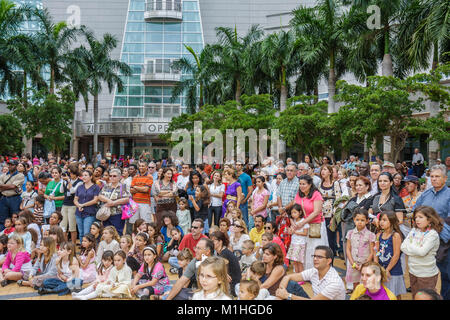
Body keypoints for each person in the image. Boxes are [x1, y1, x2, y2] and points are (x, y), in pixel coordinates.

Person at [413, 164, 450, 300]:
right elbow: (416, 213)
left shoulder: (449, 195)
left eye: (437, 177)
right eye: (432, 176)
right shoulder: (425, 195)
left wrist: (436, 227)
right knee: (425, 274)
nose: (434, 179)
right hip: (424, 241)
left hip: (444, 242)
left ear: (445, 178)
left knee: (446, 275)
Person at [401, 206, 443, 297]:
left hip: (426, 275)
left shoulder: (432, 234)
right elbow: (403, 247)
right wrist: (416, 248)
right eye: (416, 217)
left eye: (420, 217)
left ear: (429, 219)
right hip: (413, 272)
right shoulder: (414, 230)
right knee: (416, 296)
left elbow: (422, 252)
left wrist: (410, 247)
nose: (417, 220)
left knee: (425, 297)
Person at [276, 246, 346, 300]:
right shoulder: (315, 271)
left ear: (328, 261)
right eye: (314, 256)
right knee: (290, 284)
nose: (315, 259)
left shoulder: (334, 283)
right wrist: (282, 291)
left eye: (319, 257)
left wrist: (288, 295)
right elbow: (287, 277)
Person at [294, 175, 328, 270]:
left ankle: (317, 271)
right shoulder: (299, 194)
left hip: (315, 225)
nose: (301, 186)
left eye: (304, 184)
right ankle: (305, 271)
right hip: (303, 226)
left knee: (315, 248)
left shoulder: (316, 194)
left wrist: (303, 221)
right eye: (300, 184)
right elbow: (295, 207)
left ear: (310, 184)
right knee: (304, 248)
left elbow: (316, 211)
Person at [375, 211, 407, 298]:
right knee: (383, 293)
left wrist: (387, 270)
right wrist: (378, 267)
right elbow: (377, 252)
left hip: (393, 270)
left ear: (392, 221)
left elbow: (396, 255)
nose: (381, 222)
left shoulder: (395, 235)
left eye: (384, 220)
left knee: (394, 293)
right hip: (382, 268)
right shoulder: (379, 235)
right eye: (380, 219)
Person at [345, 208, 376, 292]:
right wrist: (352, 263)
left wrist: (364, 264)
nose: (359, 222)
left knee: (365, 285)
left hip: (365, 264)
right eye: (357, 219)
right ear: (354, 220)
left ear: (367, 221)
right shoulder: (350, 233)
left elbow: (372, 252)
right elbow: (348, 249)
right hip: (353, 264)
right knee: (356, 285)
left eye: (362, 220)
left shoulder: (370, 235)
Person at [318, 164, 343, 258]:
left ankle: (331, 261)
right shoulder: (319, 184)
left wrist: (334, 216)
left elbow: (338, 200)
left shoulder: (335, 183)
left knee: (330, 239)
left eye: (325, 169)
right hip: (321, 216)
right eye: (322, 170)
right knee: (322, 239)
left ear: (330, 172)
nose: (323, 172)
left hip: (330, 216)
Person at [98, 168, 130, 235]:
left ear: (119, 177)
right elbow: (100, 196)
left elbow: (127, 199)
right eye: (110, 176)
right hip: (106, 214)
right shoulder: (106, 186)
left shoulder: (122, 187)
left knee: (117, 233)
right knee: (106, 232)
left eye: (114, 176)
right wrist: (108, 200)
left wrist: (113, 203)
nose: (112, 177)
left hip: (117, 214)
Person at [210, 231, 241, 296]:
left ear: (220, 241)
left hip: (233, 286)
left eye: (214, 241)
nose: (211, 243)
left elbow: (225, 276)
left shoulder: (224, 253)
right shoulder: (220, 252)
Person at [74, 170, 101, 242]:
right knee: (81, 233)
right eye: (83, 175)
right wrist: (79, 205)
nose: (84, 177)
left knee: (87, 233)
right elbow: (75, 199)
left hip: (90, 213)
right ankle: (82, 248)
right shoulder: (80, 187)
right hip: (79, 213)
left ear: (91, 177)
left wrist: (83, 205)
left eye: (86, 175)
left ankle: (89, 249)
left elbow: (95, 200)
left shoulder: (96, 187)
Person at [129, 161, 154, 234]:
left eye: (143, 166)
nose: (141, 167)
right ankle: (135, 237)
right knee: (134, 222)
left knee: (145, 222)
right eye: (140, 166)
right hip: (134, 203)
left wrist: (136, 187)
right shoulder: (135, 177)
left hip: (145, 203)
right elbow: (131, 190)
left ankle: (145, 237)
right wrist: (141, 188)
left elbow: (146, 189)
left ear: (146, 167)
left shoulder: (149, 177)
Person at [60, 164, 82, 244]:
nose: (69, 175)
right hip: (65, 204)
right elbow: (61, 191)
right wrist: (63, 181)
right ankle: (65, 244)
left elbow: (73, 191)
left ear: (75, 173)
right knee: (63, 226)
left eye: (71, 173)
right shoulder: (66, 181)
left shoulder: (79, 182)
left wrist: (69, 181)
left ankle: (72, 245)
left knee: (72, 227)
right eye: (68, 173)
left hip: (73, 205)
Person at [0, 160, 25, 231]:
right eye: (9, 164)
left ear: (16, 166)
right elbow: (10, 186)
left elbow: (13, 186)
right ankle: (3, 234)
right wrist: (10, 186)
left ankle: (15, 233)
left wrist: (3, 186)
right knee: (2, 218)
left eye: (12, 164)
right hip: (3, 198)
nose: (10, 166)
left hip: (15, 198)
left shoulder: (20, 175)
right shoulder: (3, 175)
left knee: (15, 218)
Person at [287, 203, 309, 273]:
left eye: (295, 212)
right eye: (292, 213)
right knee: (294, 261)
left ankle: (300, 276)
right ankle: (296, 274)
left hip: (300, 243)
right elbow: (291, 232)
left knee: (299, 261)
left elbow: (305, 233)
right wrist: (289, 231)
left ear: (300, 212)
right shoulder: (293, 221)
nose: (293, 214)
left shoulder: (303, 221)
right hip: (294, 243)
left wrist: (295, 232)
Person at [235, 160, 253, 229]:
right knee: (234, 218)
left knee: (245, 219)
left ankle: (246, 233)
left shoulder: (246, 177)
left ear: (242, 166)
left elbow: (250, 190)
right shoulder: (233, 175)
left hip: (243, 201)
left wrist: (245, 199)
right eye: (236, 165)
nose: (237, 166)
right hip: (234, 200)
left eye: (239, 165)